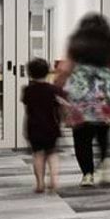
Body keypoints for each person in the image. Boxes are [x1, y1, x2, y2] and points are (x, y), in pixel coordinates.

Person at [55, 13, 110, 187]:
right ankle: (104, 162)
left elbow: (64, 69)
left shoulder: (76, 44)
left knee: (81, 136)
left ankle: (87, 174)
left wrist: (56, 87)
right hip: (105, 95)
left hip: (81, 96)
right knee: (103, 133)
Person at [20, 58, 66, 194]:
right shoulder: (54, 90)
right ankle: (54, 179)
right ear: (48, 72)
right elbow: (61, 106)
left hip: (34, 127)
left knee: (38, 155)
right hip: (51, 126)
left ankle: (40, 183)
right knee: (52, 153)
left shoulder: (28, 90)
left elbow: (27, 107)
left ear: (30, 73)